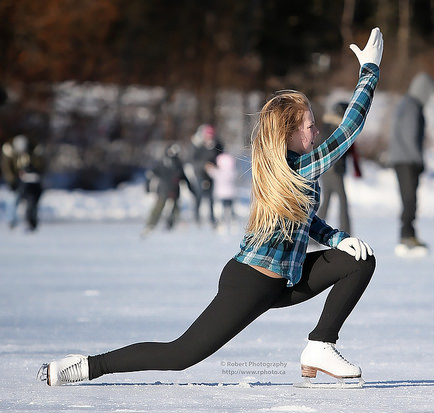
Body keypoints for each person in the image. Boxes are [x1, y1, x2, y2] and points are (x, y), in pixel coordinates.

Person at [39, 27, 383, 387]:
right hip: (252, 283)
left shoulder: (293, 170)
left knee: (359, 260)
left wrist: (337, 239)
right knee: (180, 355)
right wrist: (369, 72)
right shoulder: (293, 166)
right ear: (289, 134)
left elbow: (302, 220)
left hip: (286, 278)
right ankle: (87, 366)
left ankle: (321, 344)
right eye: (311, 127)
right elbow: (348, 132)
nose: (315, 134)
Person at [388, 72, 434, 256]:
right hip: (407, 160)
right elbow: (410, 135)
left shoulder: (407, 104)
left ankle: (409, 234)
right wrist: (418, 159)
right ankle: (406, 236)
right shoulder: (412, 106)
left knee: (409, 199)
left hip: (404, 158)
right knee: (410, 200)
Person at [316, 101, 362, 235]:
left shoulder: (327, 126)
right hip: (334, 170)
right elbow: (338, 149)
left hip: (326, 170)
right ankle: (346, 232)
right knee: (343, 200)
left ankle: (314, 235)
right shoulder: (338, 127)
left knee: (327, 201)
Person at [141, 143, 191, 237]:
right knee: (159, 207)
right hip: (164, 189)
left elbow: (183, 177)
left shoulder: (178, 163)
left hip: (174, 189)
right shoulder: (163, 162)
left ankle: (172, 224)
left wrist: (191, 188)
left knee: (175, 208)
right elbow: (151, 174)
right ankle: (151, 224)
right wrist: (147, 187)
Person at [1, 134, 45, 231]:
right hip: (15, 180)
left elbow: (40, 165)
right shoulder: (9, 151)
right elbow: (7, 168)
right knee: (13, 200)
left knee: (31, 201)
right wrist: (12, 181)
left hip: (30, 181)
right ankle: (11, 222)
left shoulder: (33, 151)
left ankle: (31, 222)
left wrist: (33, 170)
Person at [187, 124, 224, 227]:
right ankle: (196, 218)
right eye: (208, 135)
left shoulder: (216, 144)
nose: (210, 137)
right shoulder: (197, 144)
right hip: (199, 174)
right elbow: (192, 160)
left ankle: (212, 219)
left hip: (212, 174)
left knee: (211, 198)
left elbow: (220, 155)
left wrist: (216, 165)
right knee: (199, 196)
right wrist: (204, 165)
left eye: (211, 135)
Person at [207, 147, 238, 233]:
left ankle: (221, 225)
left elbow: (211, 172)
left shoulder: (219, 172)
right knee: (231, 210)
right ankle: (233, 223)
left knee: (220, 211)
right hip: (231, 194)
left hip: (220, 194)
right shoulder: (232, 172)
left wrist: (209, 167)